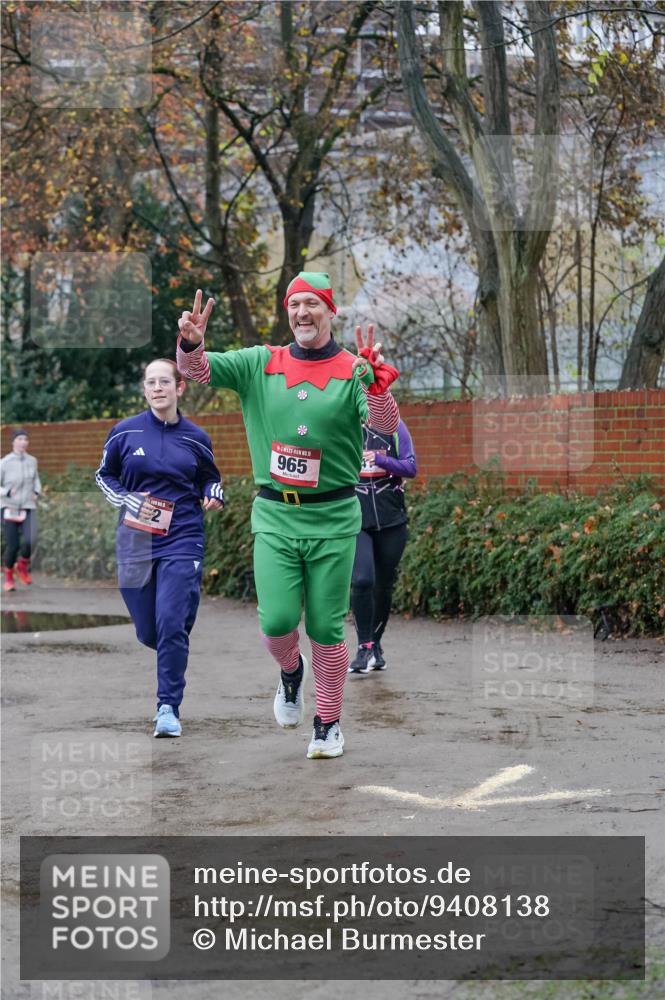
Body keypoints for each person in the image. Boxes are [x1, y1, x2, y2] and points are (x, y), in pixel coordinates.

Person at [176, 274, 400, 759]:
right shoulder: (261, 363)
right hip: (275, 515)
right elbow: (197, 372)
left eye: (312, 304)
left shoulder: (353, 369)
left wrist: (380, 389)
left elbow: (384, 427)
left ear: (329, 312)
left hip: (335, 517)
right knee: (277, 622)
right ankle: (291, 673)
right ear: (287, 311)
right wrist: (189, 344)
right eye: (294, 303)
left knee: (325, 627)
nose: (302, 312)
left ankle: (327, 724)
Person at [95, 359, 224, 737]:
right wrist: (126, 499)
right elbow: (105, 476)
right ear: (145, 389)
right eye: (150, 382)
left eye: (164, 381)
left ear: (179, 387)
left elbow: (210, 480)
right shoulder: (124, 432)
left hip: (183, 536)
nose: (157, 388)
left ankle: (168, 707)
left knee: (169, 623)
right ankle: (176, 629)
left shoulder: (196, 437)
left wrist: (213, 494)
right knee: (150, 631)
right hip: (135, 539)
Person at [348, 418, 417, 676]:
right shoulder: (345, 425)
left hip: (392, 520)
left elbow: (411, 467)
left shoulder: (394, 427)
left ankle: (376, 645)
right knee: (363, 579)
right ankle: (363, 648)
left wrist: (379, 460)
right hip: (356, 520)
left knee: (383, 585)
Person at [1, 429, 41, 592]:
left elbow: (36, 479)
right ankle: (9, 578)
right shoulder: (4, 462)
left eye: (26, 439)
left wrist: (36, 491)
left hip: (28, 506)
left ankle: (22, 565)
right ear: (14, 442)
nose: (23, 442)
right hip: (8, 507)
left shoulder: (32, 461)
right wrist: (7, 492)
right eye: (20, 439)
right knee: (13, 545)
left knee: (31, 540)